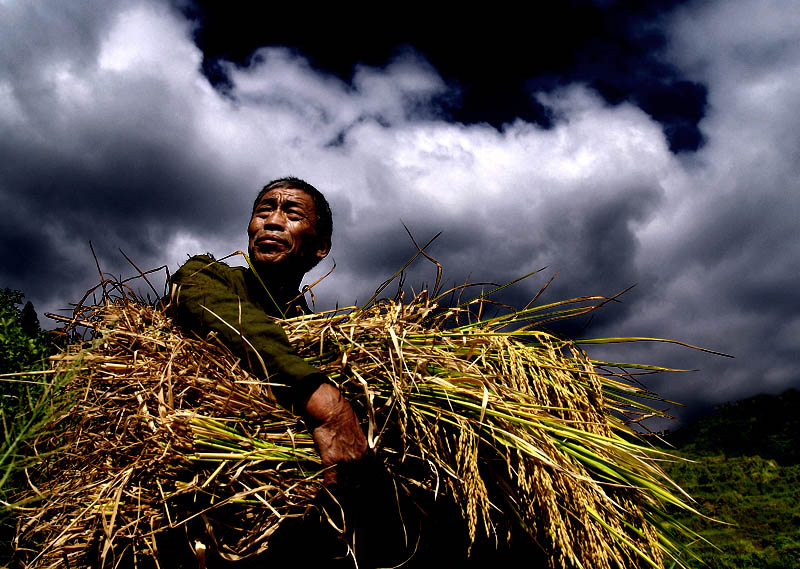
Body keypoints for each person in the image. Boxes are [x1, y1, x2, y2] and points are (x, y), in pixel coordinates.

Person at [169, 177, 368, 485]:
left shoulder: (323, 335)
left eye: (292, 214)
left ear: (321, 247)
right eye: (263, 212)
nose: (273, 222)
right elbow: (212, 308)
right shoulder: (206, 277)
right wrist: (324, 403)